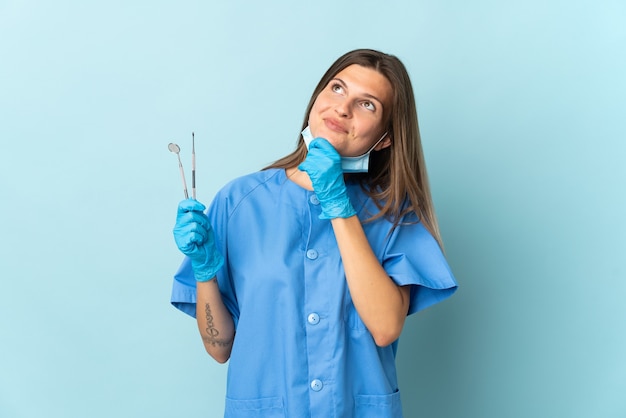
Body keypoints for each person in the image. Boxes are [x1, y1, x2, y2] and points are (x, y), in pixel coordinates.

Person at [171, 48, 457, 418]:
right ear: (316, 100)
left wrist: (338, 204)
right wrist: (205, 273)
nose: (343, 108)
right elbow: (219, 347)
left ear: (385, 139)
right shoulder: (239, 202)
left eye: (366, 105)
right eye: (337, 88)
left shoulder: (392, 213)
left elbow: (386, 327)